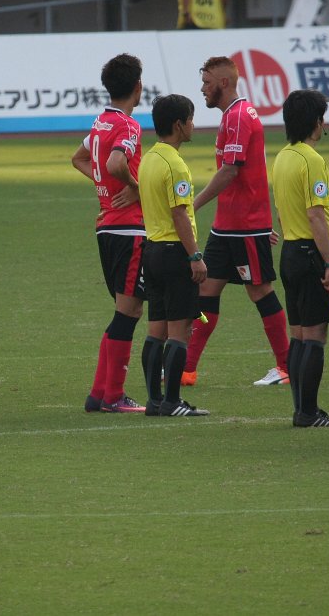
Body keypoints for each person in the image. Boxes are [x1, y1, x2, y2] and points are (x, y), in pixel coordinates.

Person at [185, 56, 289, 388]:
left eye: (207, 82)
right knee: (206, 288)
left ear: (224, 83)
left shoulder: (240, 117)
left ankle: (286, 367)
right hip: (227, 225)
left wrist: (193, 205)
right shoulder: (232, 116)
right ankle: (186, 369)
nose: (203, 88)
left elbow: (230, 171)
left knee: (259, 291)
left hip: (245, 226)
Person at [70, 54, 147, 413]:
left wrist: (103, 183)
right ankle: (113, 395)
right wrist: (137, 187)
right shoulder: (129, 126)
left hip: (107, 226)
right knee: (129, 312)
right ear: (138, 87)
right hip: (129, 227)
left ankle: (98, 393)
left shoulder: (100, 123)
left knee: (123, 311)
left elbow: (79, 158)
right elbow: (116, 162)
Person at [272, 89, 329, 427]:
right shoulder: (311, 160)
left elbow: (281, 208)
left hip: (290, 250)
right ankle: (309, 412)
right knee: (315, 335)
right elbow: (316, 215)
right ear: (316, 121)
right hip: (312, 253)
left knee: (299, 335)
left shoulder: (283, 157)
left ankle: (301, 409)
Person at [138, 95, 209, 417]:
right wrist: (195, 256)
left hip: (151, 250)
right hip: (174, 253)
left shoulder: (149, 159)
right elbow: (180, 214)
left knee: (156, 331)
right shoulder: (175, 165)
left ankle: (155, 400)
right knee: (181, 332)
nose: (193, 125)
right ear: (179, 125)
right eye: (191, 119)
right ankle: (173, 402)